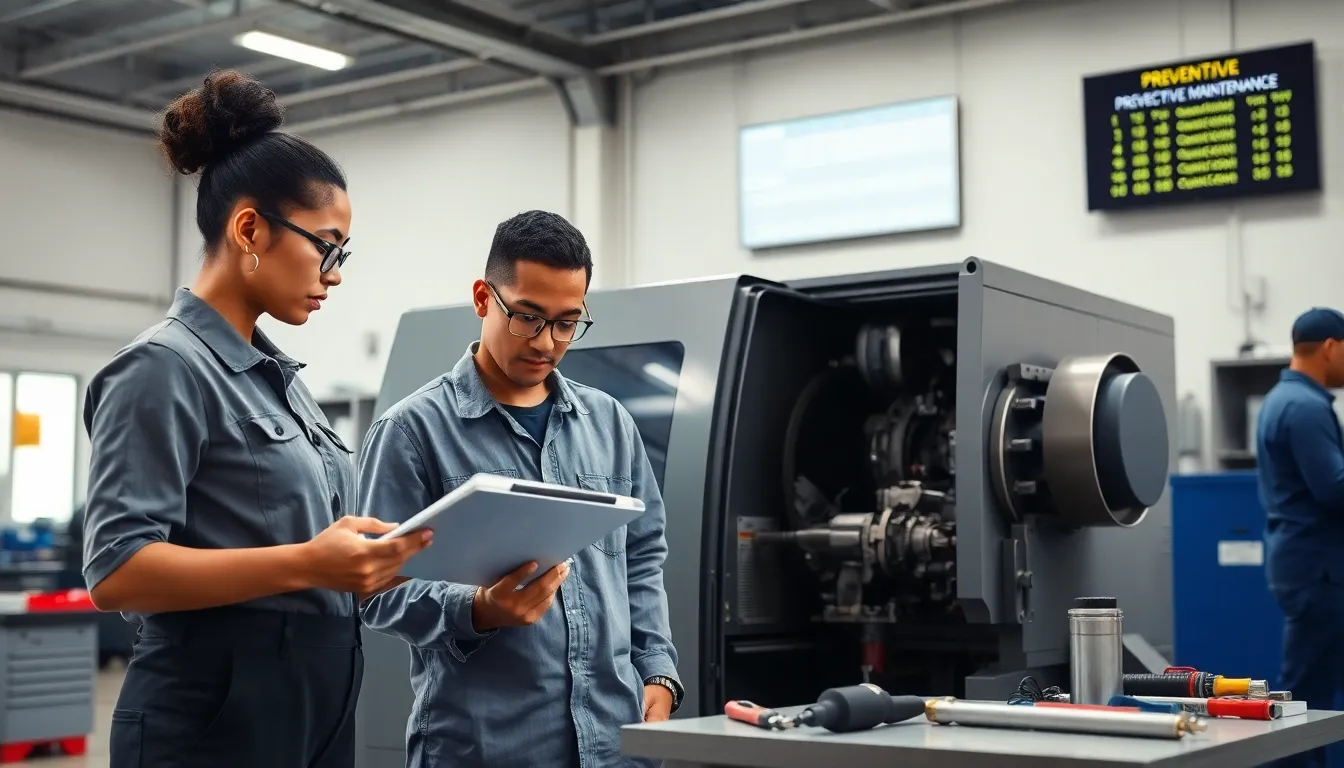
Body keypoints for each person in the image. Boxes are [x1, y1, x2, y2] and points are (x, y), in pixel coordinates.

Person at [81, 69, 431, 768]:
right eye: (327, 247)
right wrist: (307, 563)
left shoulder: (282, 383)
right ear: (249, 228)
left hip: (316, 702)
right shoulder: (163, 367)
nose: (335, 273)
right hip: (215, 713)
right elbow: (118, 568)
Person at [359, 210, 681, 768]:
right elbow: (376, 588)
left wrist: (657, 669)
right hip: (485, 747)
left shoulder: (609, 424)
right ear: (484, 298)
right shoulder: (413, 432)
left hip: (614, 744)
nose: (548, 343)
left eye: (567, 322)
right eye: (529, 318)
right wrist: (478, 609)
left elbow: (643, 556)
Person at [1256, 307, 1344, 768]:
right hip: (1319, 573)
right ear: (1331, 346)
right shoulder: (1306, 407)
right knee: (1305, 706)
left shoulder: (1280, 400)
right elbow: (1333, 488)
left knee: (1308, 697)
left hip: (1305, 567)